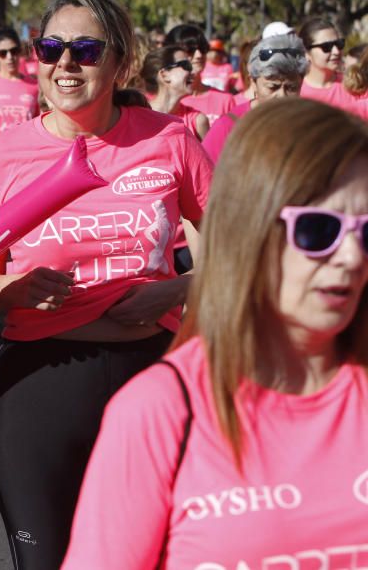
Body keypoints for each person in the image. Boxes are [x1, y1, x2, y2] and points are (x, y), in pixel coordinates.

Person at [63, 98, 368, 569]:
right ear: (251, 229)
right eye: (318, 230)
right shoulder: (160, 411)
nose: (351, 257)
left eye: (365, 232)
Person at [0, 0, 212, 570]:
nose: (64, 64)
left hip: (151, 376)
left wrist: (182, 287)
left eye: (85, 49)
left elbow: (246, 241)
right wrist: (14, 291)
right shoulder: (2, 157)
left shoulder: (168, 138)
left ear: (121, 59)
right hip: (39, 387)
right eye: (50, 47)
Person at [203, 33, 308, 165]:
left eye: (291, 88)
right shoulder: (229, 127)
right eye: (272, 87)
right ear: (253, 81)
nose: (282, 95)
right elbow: (205, 180)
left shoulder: (310, 125)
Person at [164, 24, 235, 123]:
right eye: (190, 50)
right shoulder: (158, 101)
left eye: (203, 48)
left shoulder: (225, 101)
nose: (199, 55)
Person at [140, 45, 210, 140]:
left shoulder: (198, 121)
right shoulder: (138, 115)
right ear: (164, 75)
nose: (193, 72)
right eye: (186, 65)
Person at [298, 17, 362, 114]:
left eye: (339, 44)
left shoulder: (355, 84)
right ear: (306, 53)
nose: (336, 51)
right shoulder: (295, 91)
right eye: (326, 47)